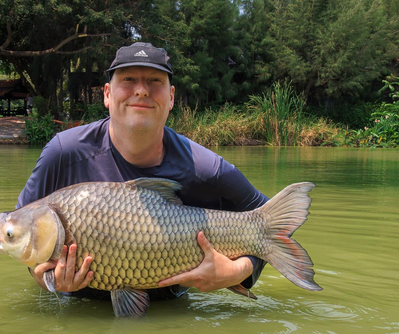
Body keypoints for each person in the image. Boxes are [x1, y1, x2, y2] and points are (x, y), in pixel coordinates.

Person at [16, 42, 268, 300]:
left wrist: (237, 271)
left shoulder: (203, 167)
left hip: (171, 310)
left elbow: (267, 225)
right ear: (107, 94)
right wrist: (40, 275)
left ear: (171, 97)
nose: (141, 91)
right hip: (79, 308)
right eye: (128, 79)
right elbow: (25, 236)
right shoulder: (63, 153)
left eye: (154, 81)